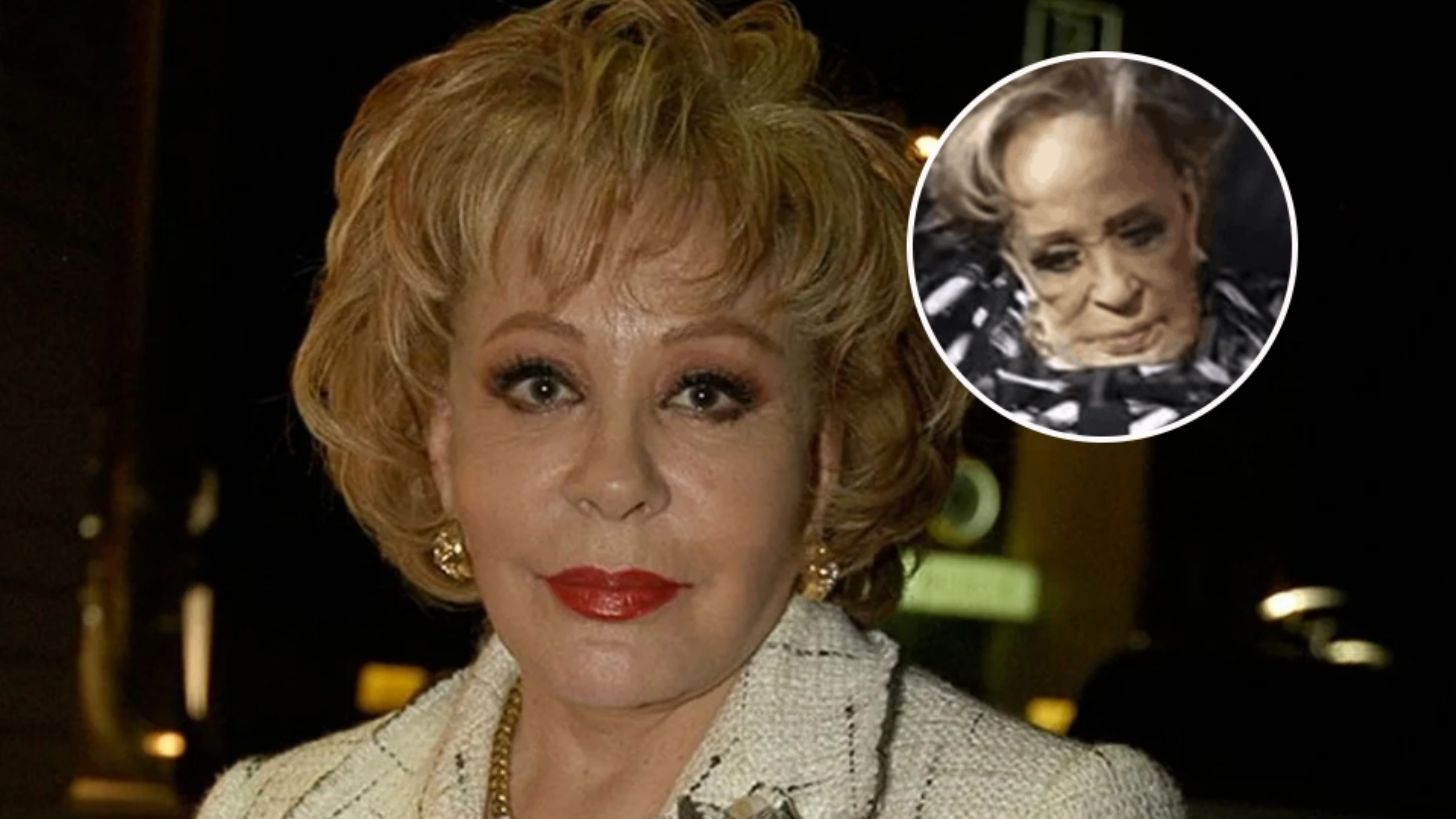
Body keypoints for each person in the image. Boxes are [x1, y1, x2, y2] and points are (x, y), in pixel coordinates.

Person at [197, 1, 1183, 816]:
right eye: (543, 383)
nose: (614, 480)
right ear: (441, 438)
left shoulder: (1049, 807)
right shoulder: (271, 806)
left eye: (704, 392)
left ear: (823, 458)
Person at [917, 56, 1289, 437]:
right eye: (1059, 259)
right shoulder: (948, 371)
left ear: (1188, 204)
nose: (1116, 292)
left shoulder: (1269, 317)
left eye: (1141, 235)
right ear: (1015, 262)